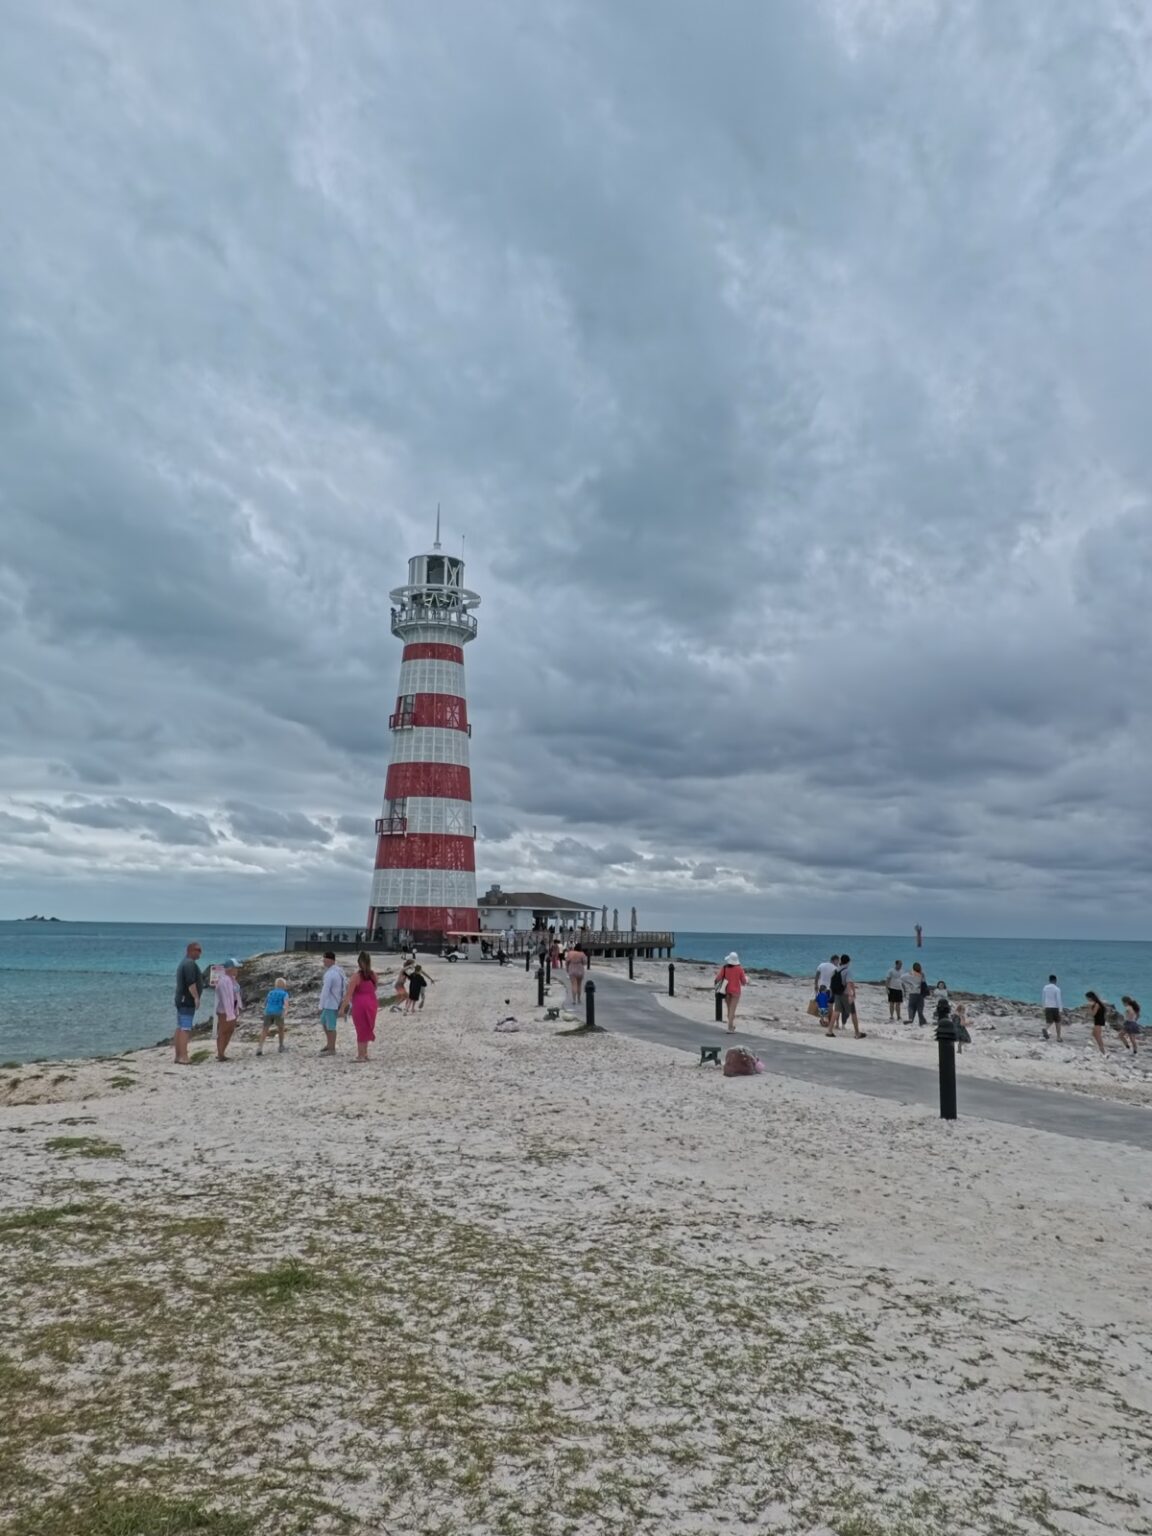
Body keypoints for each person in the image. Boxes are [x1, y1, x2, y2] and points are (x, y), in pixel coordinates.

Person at [341, 951, 379, 1062]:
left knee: (361, 1028)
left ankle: (361, 1055)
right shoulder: (374, 975)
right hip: (372, 1003)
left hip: (360, 1004)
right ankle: (365, 1053)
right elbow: (374, 989)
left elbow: (349, 994)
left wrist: (342, 1008)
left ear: (359, 962)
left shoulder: (356, 976)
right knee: (367, 1027)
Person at [173, 941, 205, 1065]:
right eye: (198, 950)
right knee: (185, 1029)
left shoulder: (184, 963)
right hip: (186, 1000)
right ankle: (184, 1057)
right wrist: (196, 998)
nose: (200, 953)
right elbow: (191, 983)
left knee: (180, 1027)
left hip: (181, 1000)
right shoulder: (189, 964)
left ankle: (178, 1056)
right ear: (190, 950)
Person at [827, 954, 865, 1039]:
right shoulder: (847, 971)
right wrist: (851, 995)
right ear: (848, 962)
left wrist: (832, 993)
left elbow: (832, 983)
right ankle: (857, 1033)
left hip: (837, 994)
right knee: (853, 1013)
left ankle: (829, 1031)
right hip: (845, 994)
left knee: (836, 1011)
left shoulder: (836, 970)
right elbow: (849, 983)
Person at [214, 960, 243, 1062]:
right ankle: (220, 1054)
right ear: (230, 969)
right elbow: (225, 998)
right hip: (224, 1011)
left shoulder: (231, 979)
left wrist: (236, 1009)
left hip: (233, 1009)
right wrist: (229, 1013)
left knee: (230, 1031)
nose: (237, 970)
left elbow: (235, 995)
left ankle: (222, 1052)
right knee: (223, 1031)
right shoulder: (224, 981)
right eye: (236, 968)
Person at [318, 951, 346, 1054]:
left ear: (330, 960)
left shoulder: (331, 974)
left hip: (331, 1003)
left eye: (325, 959)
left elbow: (325, 990)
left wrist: (320, 1005)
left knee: (331, 1026)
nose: (323, 961)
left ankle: (332, 1048)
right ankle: (329, 1044)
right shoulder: (338, 971)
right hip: (332, 1002)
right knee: (324, 1023)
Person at [714, 951, 748, 1032]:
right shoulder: (739, 969)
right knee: (732, 1010)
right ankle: (730, 1028)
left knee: (729, 1009)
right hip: (736, 992)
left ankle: (731, 1026)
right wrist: (746, 979)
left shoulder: (725, 968)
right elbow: (743, 982)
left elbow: (718, 978)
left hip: (727, 991)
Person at [257, 976, 290, 1056]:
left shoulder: (270, 993)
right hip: (278, 1012)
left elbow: (265, 1003)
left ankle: (260, 1047)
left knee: (265, 1029)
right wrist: (285, 1011)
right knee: (281, 1028)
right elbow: (286, 1004)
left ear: (275, 985)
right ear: (284, 986)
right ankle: (281, 1046)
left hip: (268, 1012)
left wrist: (265, 1010)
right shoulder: (285, 993)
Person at [904, 962, 928, 1027]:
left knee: (911, 1006)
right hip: (920, 993)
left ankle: (911, 1019)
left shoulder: (910, 973)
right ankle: (922, 1022)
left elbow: (903, 979)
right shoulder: (922, 974)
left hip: (912, 993)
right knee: (920, 1008)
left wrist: (908, 984)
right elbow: (923, 982)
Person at [1085, 991, 1108, 1056]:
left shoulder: (1096, 1004)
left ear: (1090, 997)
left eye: (1087, 998)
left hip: (1098, 1021)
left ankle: (1103, 1051)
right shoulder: (1098, 1003)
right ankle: (1100, 1049)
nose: (1087, 999)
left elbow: (1093, 1014)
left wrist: (1089, 1008)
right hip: (1098, 1020)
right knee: (1094, 1034)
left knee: (1098, 1036)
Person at [1041, 975, 1064, 1042]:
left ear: (1049, 980)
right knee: (1058, 1022)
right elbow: (1058, 999)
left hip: (1047, 1006)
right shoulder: (1057, 989)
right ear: (1055, 980)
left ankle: (1045, 1028)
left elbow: (1043, 997)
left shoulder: (1045, 987)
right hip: (1055, 1007)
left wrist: (1043, 1006)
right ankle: (1058, 1037)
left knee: (1049, 1021)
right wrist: (1060, 1009)